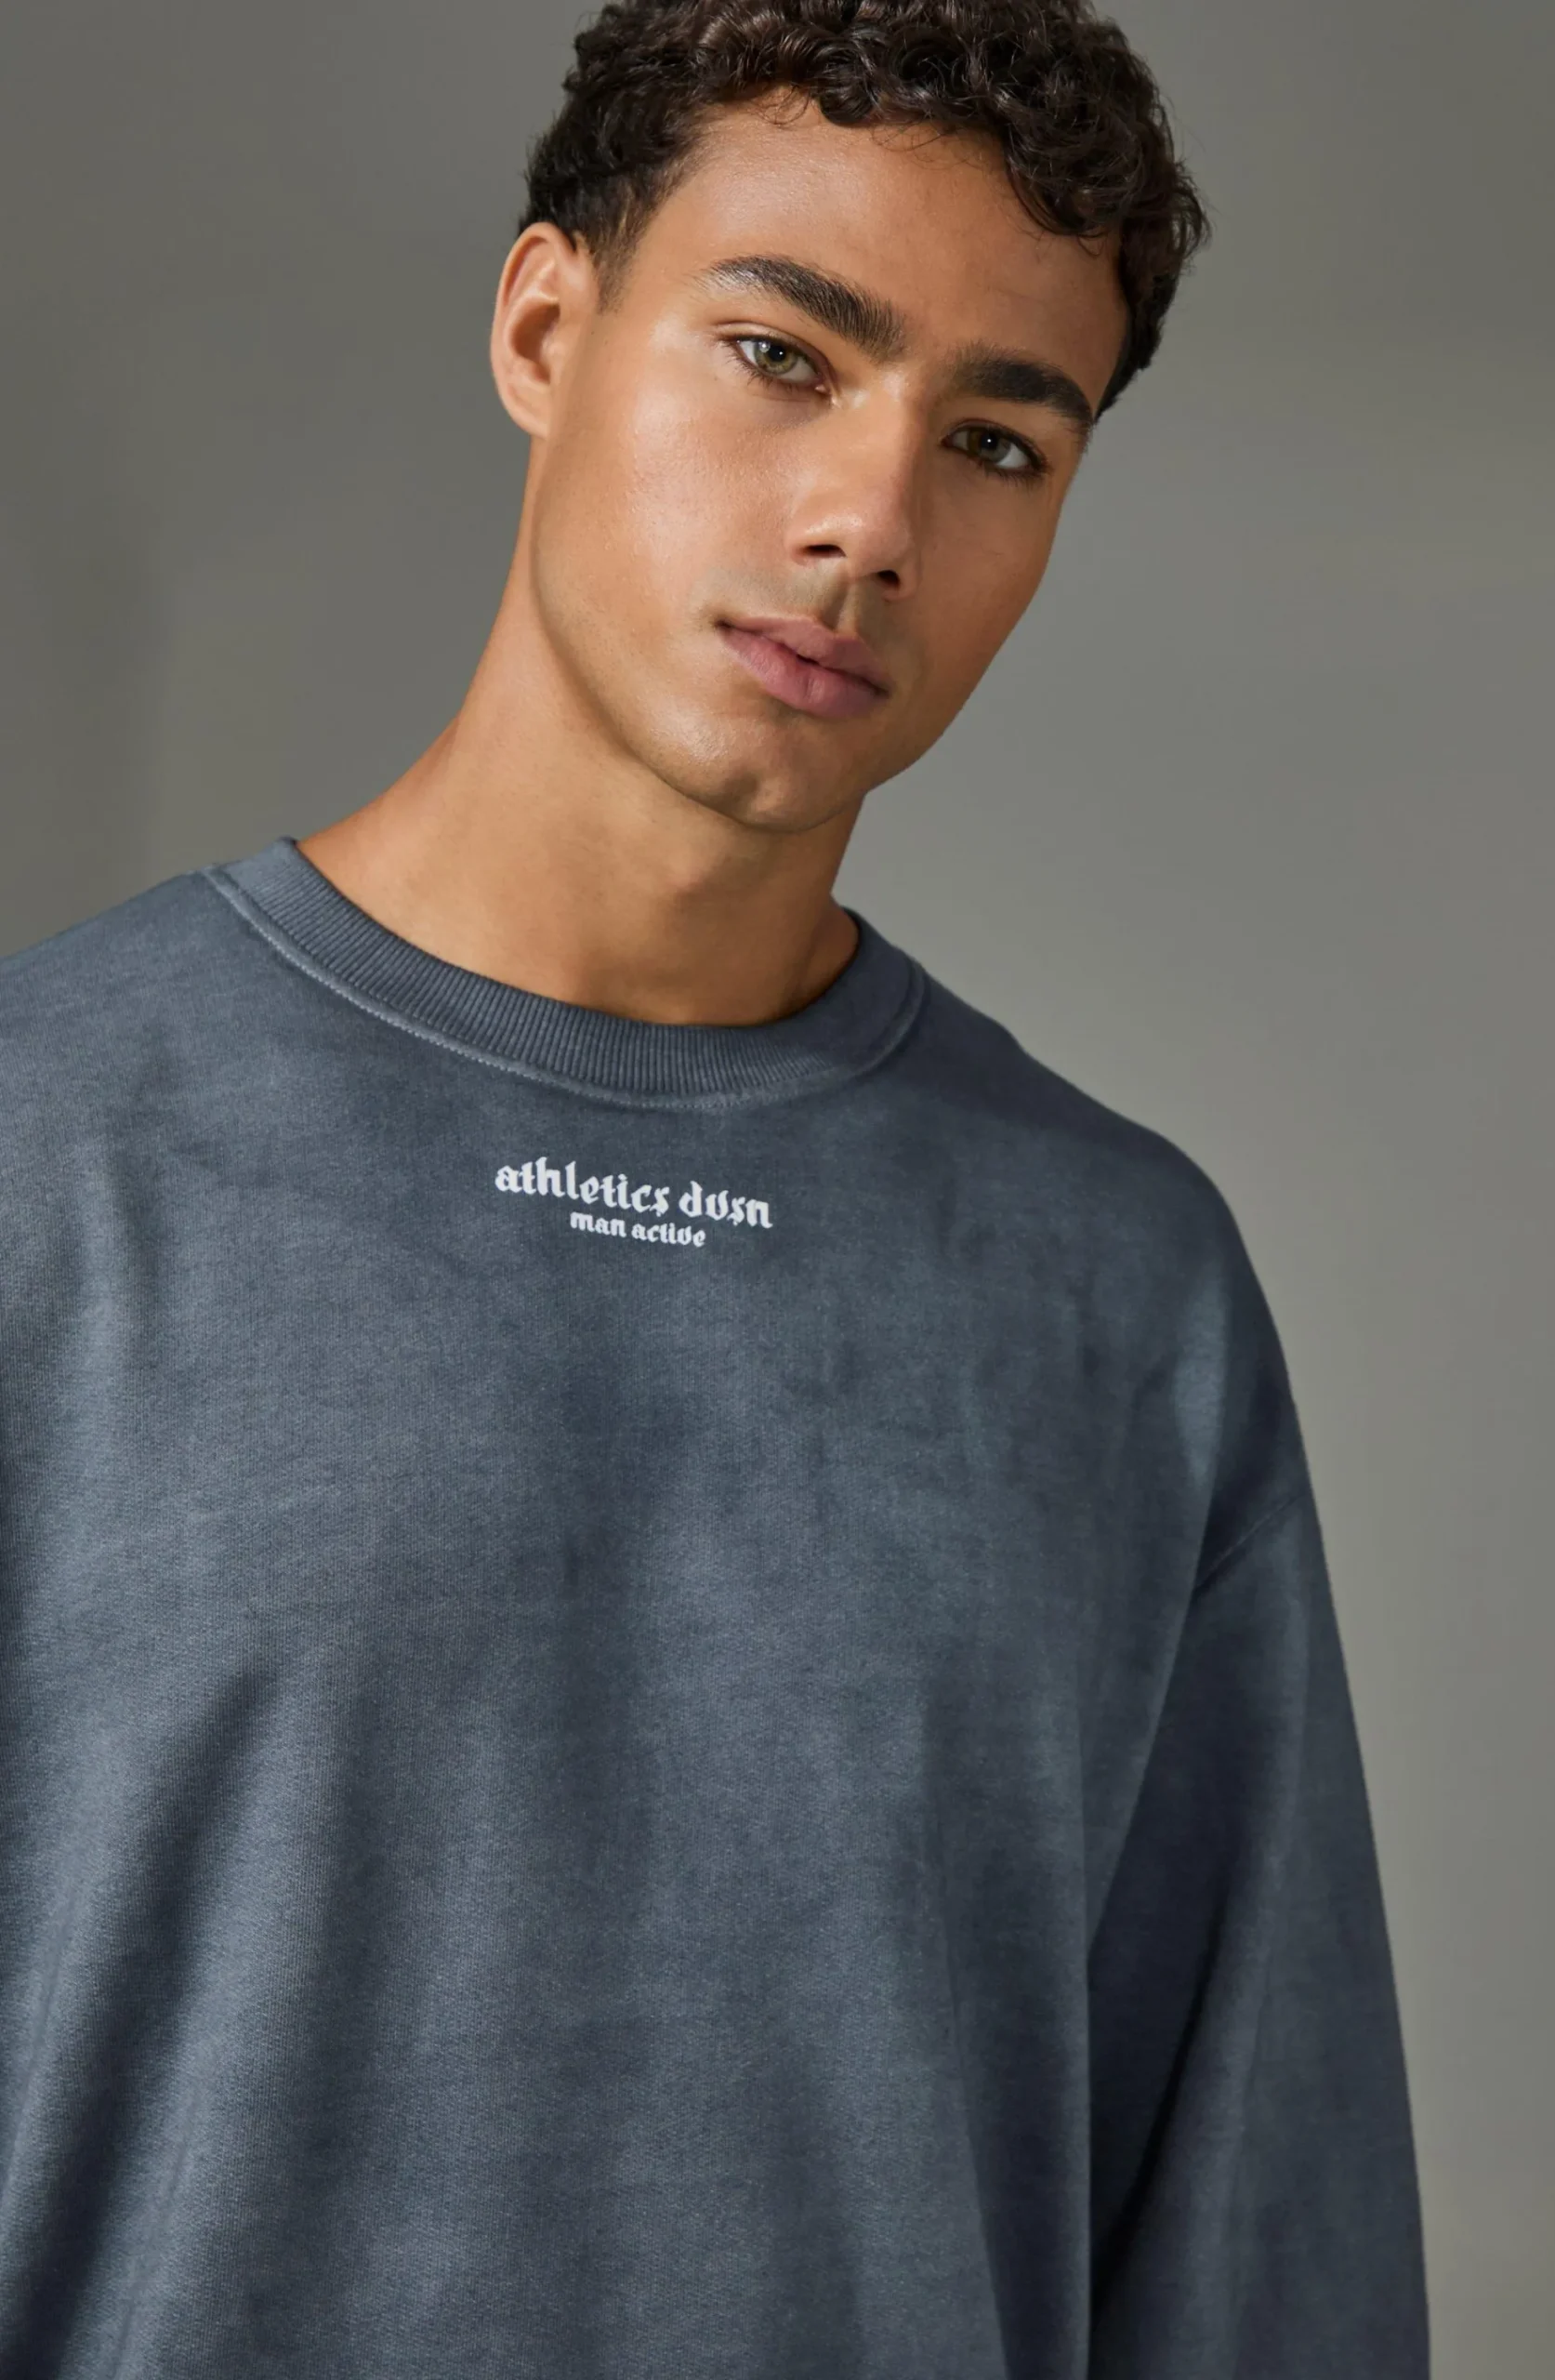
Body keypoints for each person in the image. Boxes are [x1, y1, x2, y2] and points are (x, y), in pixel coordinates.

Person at [0, 2, 1430, 2373]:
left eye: (994, 440)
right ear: (543, 327)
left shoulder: (1119, 1296)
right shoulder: (45, 1151)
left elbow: (1262, 2266)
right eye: (782, 355)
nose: (871, 522)